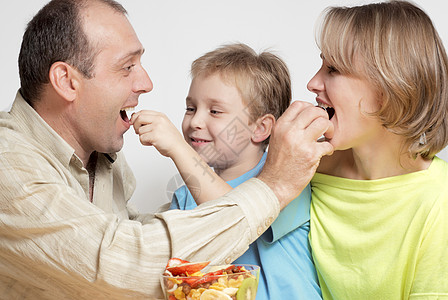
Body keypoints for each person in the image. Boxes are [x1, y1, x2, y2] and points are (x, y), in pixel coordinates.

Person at [0, 0, 334, 299]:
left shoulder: (104, 161)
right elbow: (128, 261)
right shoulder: (10, 164)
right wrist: (274, 187)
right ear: (67, 81)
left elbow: (142, 239)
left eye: (215, 111)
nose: (146, 83)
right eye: (127, 66)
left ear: (262, 127)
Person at [306, 1, 448, 299]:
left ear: (389, 92)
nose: (312, 83)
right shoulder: (305, 171)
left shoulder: (439, 202)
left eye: (332, 69)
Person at [171, 43, 321, 299]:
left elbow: (234, 219)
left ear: (260, 128)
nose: (195, 122)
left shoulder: (288, 179)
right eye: (190, 108)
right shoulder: (184, 196)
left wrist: (177, 148)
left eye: (215, 111)